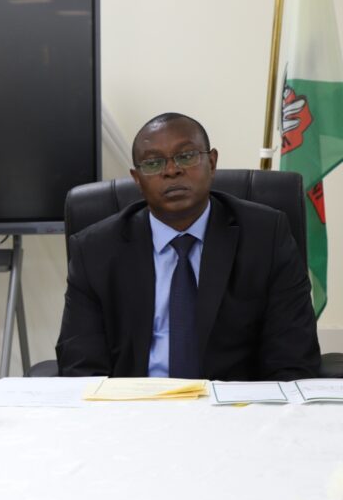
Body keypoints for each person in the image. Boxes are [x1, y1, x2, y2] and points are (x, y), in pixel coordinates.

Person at [56, 112, 320, 381]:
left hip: (236, 411)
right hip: (134, 411)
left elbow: (293, 359)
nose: (172, 170)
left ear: (212, 162)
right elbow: (81, 367)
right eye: (153, 163)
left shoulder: (266, 236)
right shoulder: (95, 250)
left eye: (186, 156)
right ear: (137, 179)